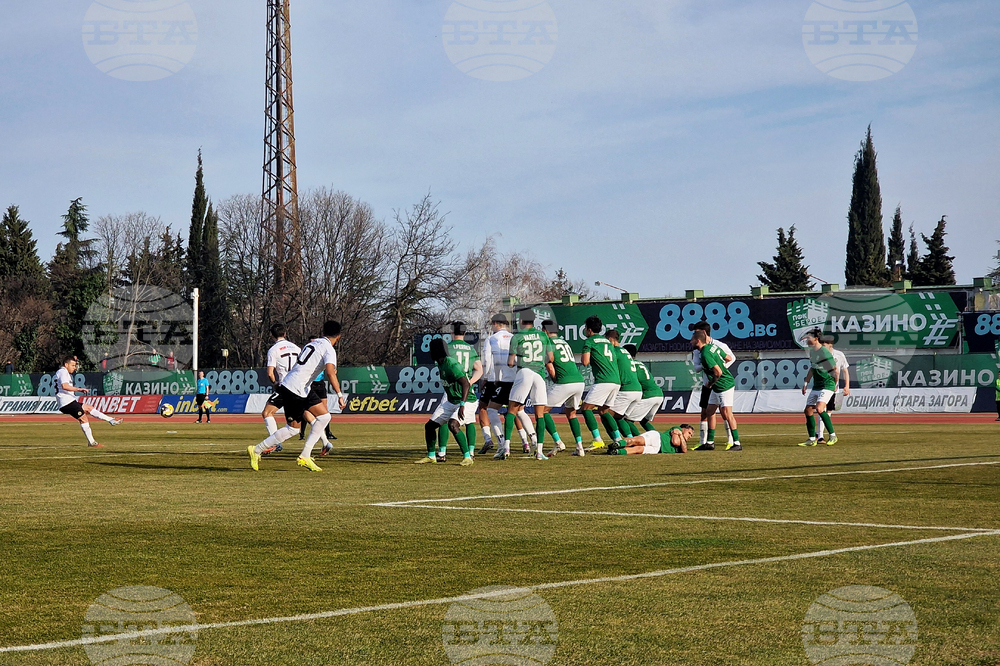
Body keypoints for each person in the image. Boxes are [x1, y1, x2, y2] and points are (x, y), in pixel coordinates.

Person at [247, 320, 345, 472]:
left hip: (302, 387)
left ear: (323, 332)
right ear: (338, 336)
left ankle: (305, 455)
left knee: (325, 417)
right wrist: (339, 394)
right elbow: (331, 373)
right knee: (293, 429)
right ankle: (257, 450)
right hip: (295, 388)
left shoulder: (313, 343)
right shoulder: (329, 349)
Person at [498, 313, 553, 461]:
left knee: (512, 410)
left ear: (521, 321)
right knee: (540, 414)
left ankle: (506, 447)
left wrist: (519, 361)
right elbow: (551, 358)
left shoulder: (516, 336)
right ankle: (539, 451)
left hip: (525, 372)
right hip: (539, 374)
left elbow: (510, 362)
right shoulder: (543, 335)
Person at [417, 338, 476, 466]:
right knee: (430, 426)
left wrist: (462, 405)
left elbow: (466, 384)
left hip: (467, 401)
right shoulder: (440, 363)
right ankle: (431, 456)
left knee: (453, 425)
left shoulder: (451, 364)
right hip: (451, 401)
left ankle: (467, 457)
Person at [436, 322, 483, 461]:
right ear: (464, 333)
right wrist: (470, 382)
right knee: (469, 421)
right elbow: (479, 368)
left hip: (452, 387)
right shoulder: (471, 349)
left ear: (451, 332)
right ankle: (471, 452)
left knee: (444, 419)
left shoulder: (447, 348)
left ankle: (442, 453)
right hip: (466, 388)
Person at [478, 314, 524, 455]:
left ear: (496, 324)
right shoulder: (513, 337)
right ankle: (525, 441)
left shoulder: (491, 338)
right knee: (516, 410)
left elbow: (486, 359)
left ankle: (490, 439)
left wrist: (485, 377)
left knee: (484, 407)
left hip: (495, 378)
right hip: (514, 377)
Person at [540, 320, 586, 457]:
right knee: (571, 413)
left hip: (565, 382)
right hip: (579, 382)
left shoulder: (548, 343)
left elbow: (549, 364)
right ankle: (580, 447)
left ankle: (558, 442)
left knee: (541, 411)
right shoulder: (564, 342)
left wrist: (555, 379)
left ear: (545, 331)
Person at [54, 355, 122, 447]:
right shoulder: (63, 372)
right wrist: (79, 389)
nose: (75, 368)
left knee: (89, 408)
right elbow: (65, 386)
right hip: (66, 402)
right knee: (83, 418)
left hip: (69, 401)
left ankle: (111, 420)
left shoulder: (63, 372)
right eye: (73, 365)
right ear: (66, 365)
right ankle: (92, 442)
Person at [691, 330, 742, 451]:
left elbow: (718, 372)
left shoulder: (705, 354)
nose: (690, 342)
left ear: (698, 341)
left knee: (727, 413)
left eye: (692, 340)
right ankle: (710, 442)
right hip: (717, 385)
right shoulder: (712, 347)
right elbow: (728, 358)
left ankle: (737, 443)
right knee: (710, 410)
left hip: (724, 385)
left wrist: (711, 382)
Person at [579, 315, 622, 451]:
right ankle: (618, 439)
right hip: (616, 381)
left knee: (586, 409)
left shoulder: (590, 341)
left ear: (589, 330)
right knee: (604, 411)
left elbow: (585, 362)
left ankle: (597, 440)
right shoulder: (607, 341)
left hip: (604, 380)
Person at [798, 328, 839, 447]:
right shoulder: (813, 352)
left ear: (816, 339)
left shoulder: (823, 352)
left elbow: (834, 370)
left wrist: (834, 385)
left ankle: (832, 435)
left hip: (827, 385)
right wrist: (806, 382)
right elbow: (813, 368)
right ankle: (812, 439)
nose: (806, 340)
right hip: (817, 386)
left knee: (820, 409)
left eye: (808, 338)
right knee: (808, 410)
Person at [607, 329, 643, 439]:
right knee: (620, 417)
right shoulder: (625, 352)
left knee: (605, 413)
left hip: (627, 389)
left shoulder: (614, 352)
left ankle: (617, 440)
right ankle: (632, 439)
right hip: (637, 390)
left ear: (611, 340)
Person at [622, 344, 663, 433]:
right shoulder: (640, 363)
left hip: (648, 395)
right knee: (644, 420)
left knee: (627, 420)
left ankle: (638, 441)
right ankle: (658, 439)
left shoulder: (630, 365)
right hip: (659, 394)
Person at [817, 335, 850, 443]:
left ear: (830, 344)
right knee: (820, 409)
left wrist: (847, 386)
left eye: (824, 344)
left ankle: (823, 435)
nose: (822, 346)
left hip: (833, 387)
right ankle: (820, 435)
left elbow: (845, 371)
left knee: (828, 410)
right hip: (822, 386)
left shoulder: (839, 355)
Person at [615, 424, 694, 455]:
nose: (690, 436)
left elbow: (684, 450)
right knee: (636, 440)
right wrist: (679, 434)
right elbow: (675, 442)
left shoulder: (680, 437)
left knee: (638, 450)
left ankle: (617, 451)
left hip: (657, 449)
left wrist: (680, 435)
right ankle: (618, 444)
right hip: (657, 438)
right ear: (683, 429)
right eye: (689, 433)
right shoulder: (677, 428)